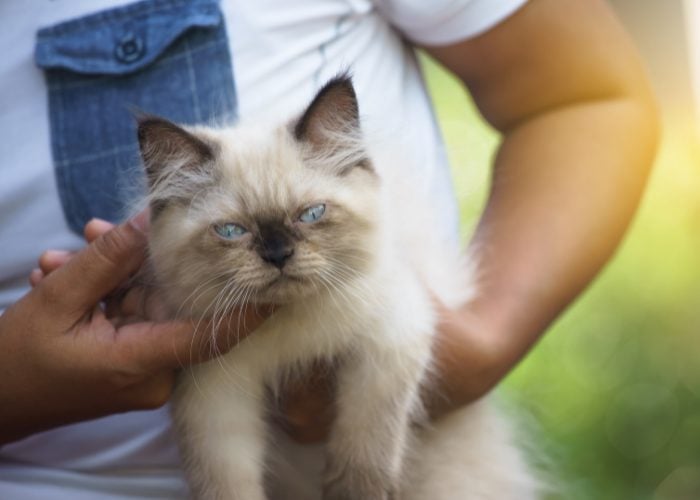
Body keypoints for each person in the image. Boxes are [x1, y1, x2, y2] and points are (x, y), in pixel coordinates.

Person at [0, 0, 658, 497]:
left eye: (311, 219)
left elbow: (587, 92)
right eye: (234, 232)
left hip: (434, 462)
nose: (280, 252)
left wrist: (480, 346)